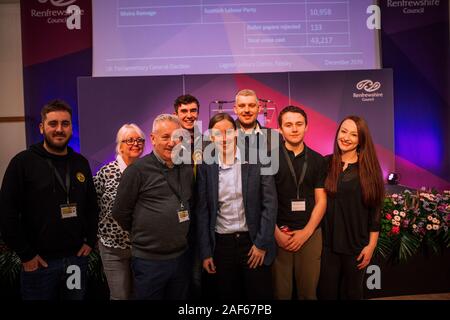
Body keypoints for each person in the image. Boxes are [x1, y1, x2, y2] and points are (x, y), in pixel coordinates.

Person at [0, 99, 98, 300]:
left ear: (71, 128)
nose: (59, 129)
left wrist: (89, 239)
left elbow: (91, 206)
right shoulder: (23, 162)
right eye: (53, 124)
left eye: (65, 123)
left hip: (75, 261)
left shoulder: (80, 163)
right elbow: (6, 211)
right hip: (39, 264)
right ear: (42, 127)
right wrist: (26, 255)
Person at [111, 114, 194, 300]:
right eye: (165, 137)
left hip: (181, 257)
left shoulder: (186, 167)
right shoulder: (137, 171)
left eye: (176, 137)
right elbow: (120, 212)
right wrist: (145, 232)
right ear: (153, 139)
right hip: (149, 261)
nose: (171, 143)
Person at [196, 112, 277, 300]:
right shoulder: (205, 164)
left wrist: (261, 243)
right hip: (221, 245)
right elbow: (202, 210)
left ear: (237, 133)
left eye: (228, 132)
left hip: (253, 242)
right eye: (218, 133)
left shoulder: (258, 157)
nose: (224, 138)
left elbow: (270, 203)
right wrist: (206, 252)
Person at [318, 115, 384, 300]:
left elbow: (375, 211)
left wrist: (371, 246)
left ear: (361, 139)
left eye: (353, 134)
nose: (346, 137)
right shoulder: (325, 163)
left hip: (357, 246)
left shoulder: (369, 170)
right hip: (328, 245)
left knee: (353, 293)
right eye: (343, 131)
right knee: (326, 293)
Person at [272, 106, 327, 300]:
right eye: (288, 125)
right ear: (280, 129)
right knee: (281, 294)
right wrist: (276, 233)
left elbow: (321, 200)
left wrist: (306, 232)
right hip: (279, 234)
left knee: (308, 293)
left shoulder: (318, 160)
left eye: (298, 124)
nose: (294, 129)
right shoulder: (268, 158)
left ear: (306, 127)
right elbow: (264, 200)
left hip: (310, 234)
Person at [93, 123, 145, 300]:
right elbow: (93, 204)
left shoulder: (147, 172)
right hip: (112, 247)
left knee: (141, 295)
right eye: (130, 140)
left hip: (141, 246)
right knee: (120, 296)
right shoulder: (106, 173)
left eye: (139, 140)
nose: (135, 144)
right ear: (120, 145)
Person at [173, 94, 203, 299]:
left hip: (202, 211)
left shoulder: (207, 139)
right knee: (180, 272)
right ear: (176, 113)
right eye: (184, 111)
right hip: (177, 214)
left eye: (193, 111)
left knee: (198, 273)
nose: (189, 115)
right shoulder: (171, 140)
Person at [233, 89, 278, 175]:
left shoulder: (274, 137)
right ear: (235, 109)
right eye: (242, 106)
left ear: (259, 108)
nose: (247, 110)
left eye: (251, 105)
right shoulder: (223, 136)